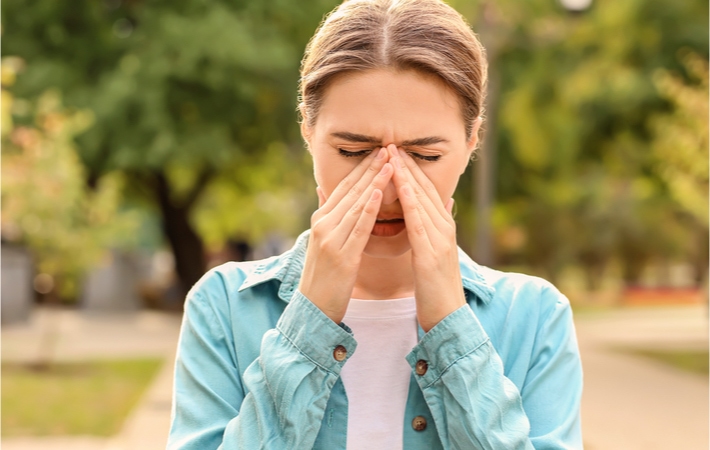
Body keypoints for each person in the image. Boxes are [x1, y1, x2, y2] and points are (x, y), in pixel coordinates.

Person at [167, 0, 583, 448]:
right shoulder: (225, 308)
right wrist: (310, 322)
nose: (387, 188)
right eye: (353, 152)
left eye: (424, 157)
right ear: (308, 131)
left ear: (470, 141)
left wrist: (450, 321)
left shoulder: (535, 316)